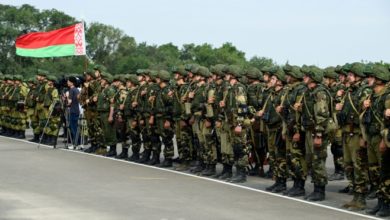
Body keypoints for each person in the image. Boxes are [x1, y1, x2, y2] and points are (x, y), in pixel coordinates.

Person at [66, 76, 80, 148]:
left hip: (73, 110)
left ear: (72, 82)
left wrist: (67, 96)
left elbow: (69, 102)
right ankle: (78, 143)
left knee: (73, 128)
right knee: (77, 127)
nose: (67, 83)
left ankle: (75, 144)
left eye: (68, 81)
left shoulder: (71, 90)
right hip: (77, 110)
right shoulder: (77, 90)